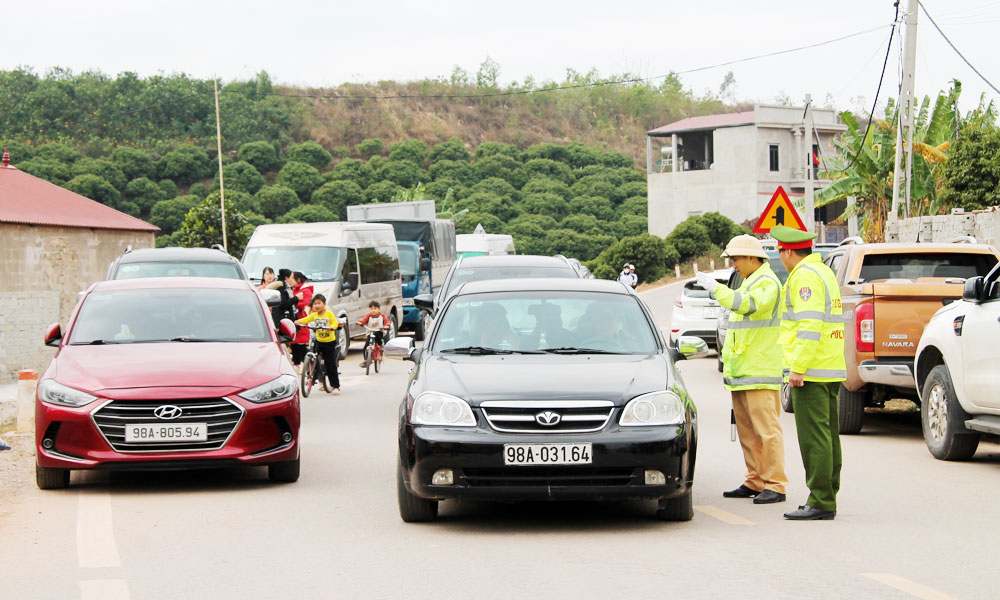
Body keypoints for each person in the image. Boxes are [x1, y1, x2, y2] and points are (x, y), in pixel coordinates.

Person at [696, 235, 787, 505]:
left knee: (767, 431)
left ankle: (776, 485)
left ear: (751, 257)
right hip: (743, 372)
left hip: (760, 371)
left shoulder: (768, 282)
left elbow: (747, 306)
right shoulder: (749, 281)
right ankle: (755, 480)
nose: (733, 264)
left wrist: (717, 289)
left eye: (735, 258)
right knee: (747, 430)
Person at [771, 225, 846, 521]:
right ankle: (828, 493)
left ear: (788, 251)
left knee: (814, 438)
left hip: (811, 370)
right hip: (829, 366)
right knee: (827, 436)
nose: (781, 258)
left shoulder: (803, 277)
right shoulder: (824, 271)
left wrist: (798, 369)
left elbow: (809, 326)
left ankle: (821, 500)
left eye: (780, 252)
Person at [296, 294, 340, 395]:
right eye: (315, 304)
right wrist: (297, 322)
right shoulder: (314, 315)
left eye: (319, 303)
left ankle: (335, 386)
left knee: (330, 365)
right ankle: (312, 377)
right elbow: (306, 319)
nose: (317, 305)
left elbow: (334, 323)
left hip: (329, 343)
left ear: (324, 304)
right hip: (318, 341)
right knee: (313, 359)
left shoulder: (329, 314)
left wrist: (332, 327)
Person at [289, 272, 314, 369]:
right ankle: (298, 366)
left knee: (301, 347)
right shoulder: (293, 290)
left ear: (298, 280)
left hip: (301, 321)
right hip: (294, 321)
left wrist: (294, 301)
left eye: (292, 279)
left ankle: (308, 367)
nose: (290, 281)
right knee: (295, 346)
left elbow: (306, 304)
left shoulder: (305, 291)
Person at [357, 301, 389, 368]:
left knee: (377, 334)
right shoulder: (369, 316)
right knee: (366, 346)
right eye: (371, 309)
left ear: (379, 309)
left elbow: (387, 322)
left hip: (379, 332)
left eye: (375, 308)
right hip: (370, 332)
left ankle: (381, 345)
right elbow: (364, 320)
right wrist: (360, 322)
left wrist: (387, 325)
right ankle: (366, 360)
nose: (373, 310)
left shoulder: (382, 316)